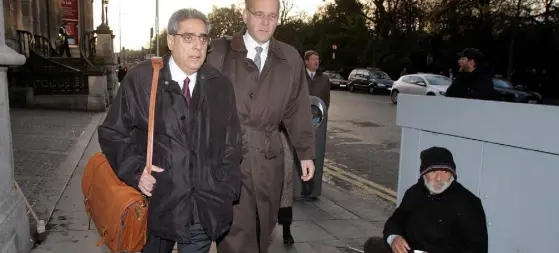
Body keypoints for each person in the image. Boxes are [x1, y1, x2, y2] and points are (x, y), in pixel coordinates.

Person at [98, 8, 242, 253]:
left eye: (203, 38)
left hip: (203, 207)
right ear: (171, 40)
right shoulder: (141, 79)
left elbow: (232, 144)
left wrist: (224, 189)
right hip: (157, 207)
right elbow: (113, 132)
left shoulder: (221, 86)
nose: (198, 46)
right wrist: (136, 172)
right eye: (188, 37)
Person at [206, 0, 316, 252]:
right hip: (229, 157)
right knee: (234, 233)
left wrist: (305, 152)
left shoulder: (289, 57)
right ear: (245, 15)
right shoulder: (218, 53)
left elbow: (297, 108)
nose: (266, 22)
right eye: (259, 14)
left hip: (269, 158)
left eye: (272, 16)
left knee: (264, 228)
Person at [363, 146, 488, 253]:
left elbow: (477, 248)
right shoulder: (414, 192)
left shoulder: (468, 203)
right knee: (372, 244)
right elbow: (395, 222)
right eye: (433, 171)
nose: (439, 178)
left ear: (452, 174)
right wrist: (394, 238)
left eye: (445, 171)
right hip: (410, 250)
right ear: (423, 174)